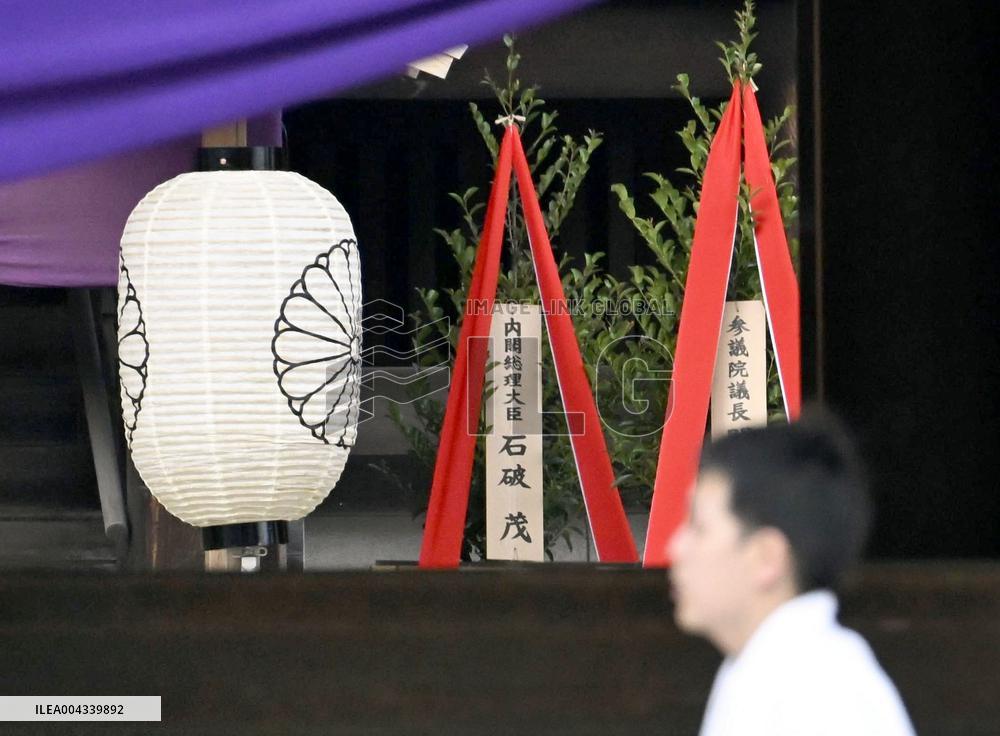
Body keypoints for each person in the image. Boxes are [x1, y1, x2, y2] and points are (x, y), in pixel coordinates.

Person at [668, 416, 916, 736]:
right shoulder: (772, 667)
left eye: (699, 528)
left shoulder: (821, 695)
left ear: (766, 558)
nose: (676, 548)